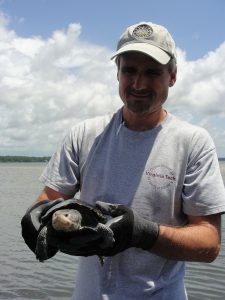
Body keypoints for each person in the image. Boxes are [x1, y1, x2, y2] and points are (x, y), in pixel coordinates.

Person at [21, 21, 225, 300]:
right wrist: (37, 219)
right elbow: (49, 199)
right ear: (117, 73)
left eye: (152, 72)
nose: (139, 83)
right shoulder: (84, 135)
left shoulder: (193, 142)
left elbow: (209, 243)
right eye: (129, 70)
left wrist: (144, 234)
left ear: (173, 76)